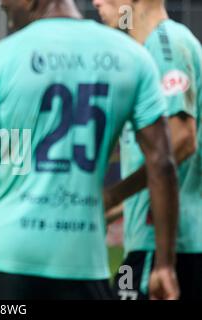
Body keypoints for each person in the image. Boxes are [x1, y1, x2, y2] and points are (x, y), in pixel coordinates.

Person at [0, 0, 180, 300]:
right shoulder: (132, 58)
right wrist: (165, 264)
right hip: (83, 264)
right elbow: (162, 163)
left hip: (1, 259)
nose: (1, 4)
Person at [93, 0, 202, 300]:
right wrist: (105, 209)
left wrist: (113, 194)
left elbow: (181, 141)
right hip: (152, 244)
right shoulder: (149, 53)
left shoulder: (166, 44)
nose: (96, 2)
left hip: (168, 248)